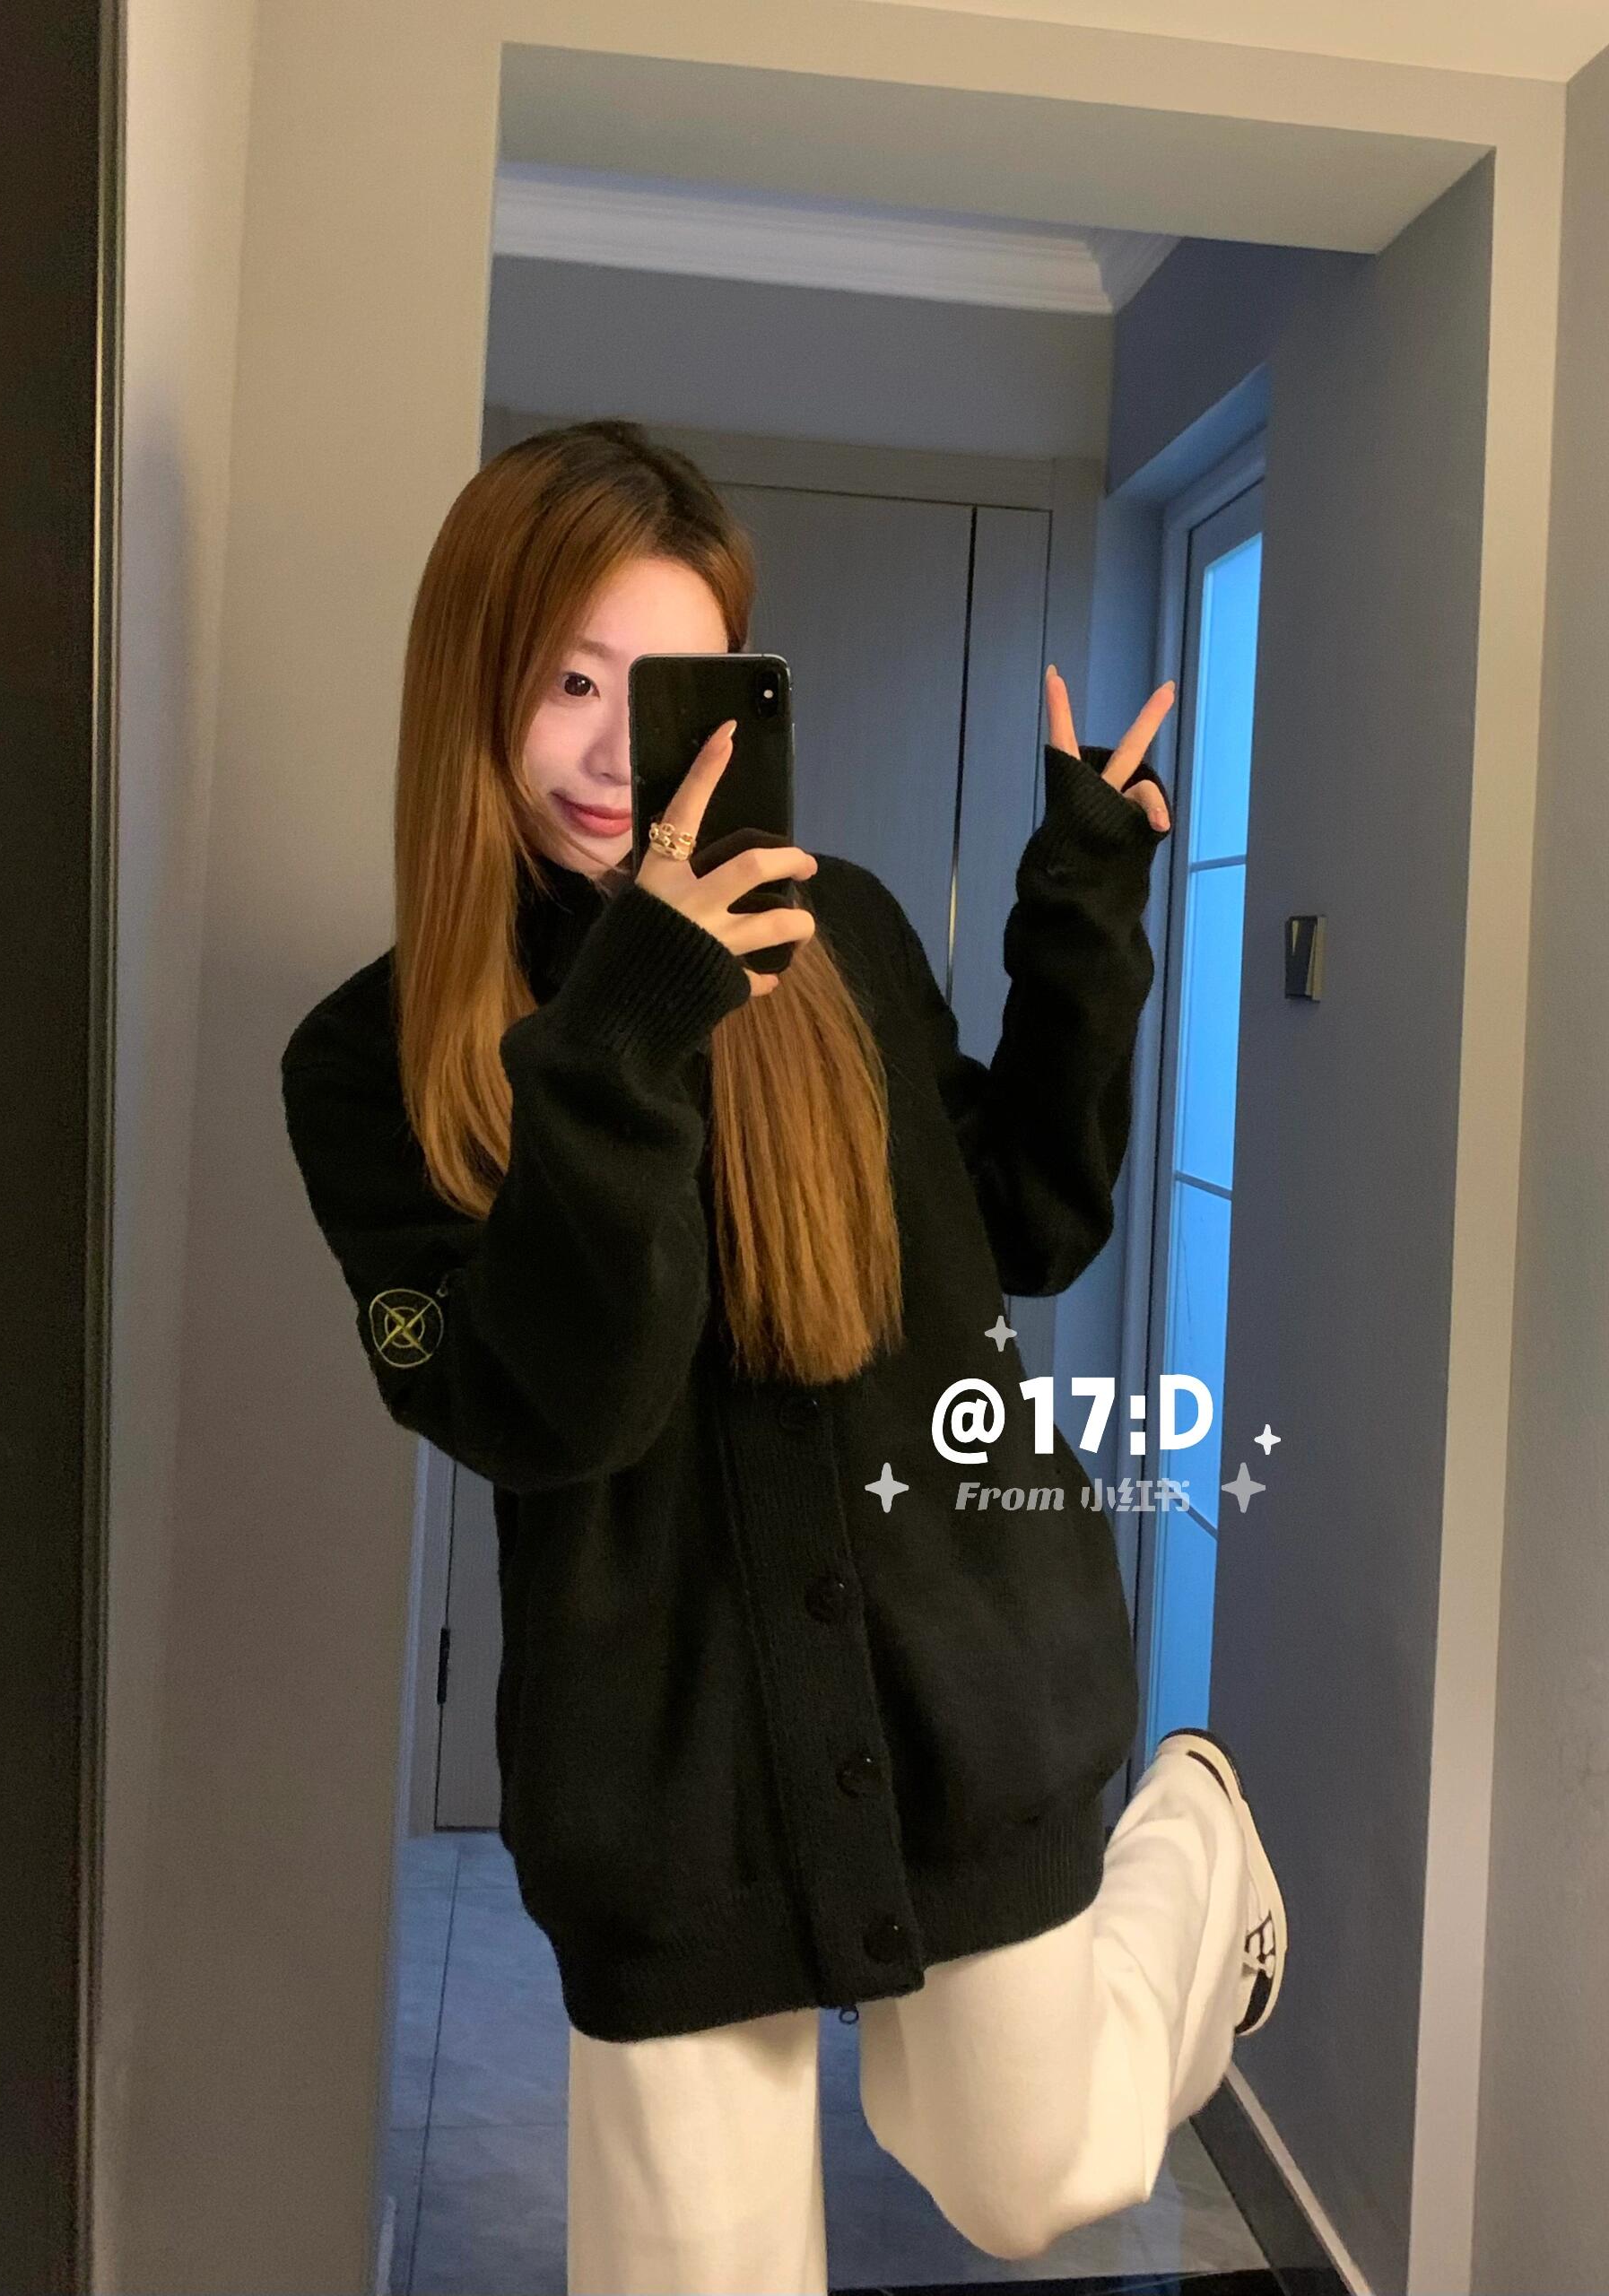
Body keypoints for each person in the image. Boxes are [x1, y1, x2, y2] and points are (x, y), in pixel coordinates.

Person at [279, 417, 1288, 2296]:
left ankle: (1199, 1843)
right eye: (567, 680)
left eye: (666, 690)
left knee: (1036, 2176)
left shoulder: (846, 938)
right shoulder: (368, 1060)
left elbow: (1030, 1221)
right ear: (470, 682)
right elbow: (548, 1407)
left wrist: (1085, 908)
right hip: (656, 1772)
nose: (617, 751)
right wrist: (625, 1031)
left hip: (958, 1681)